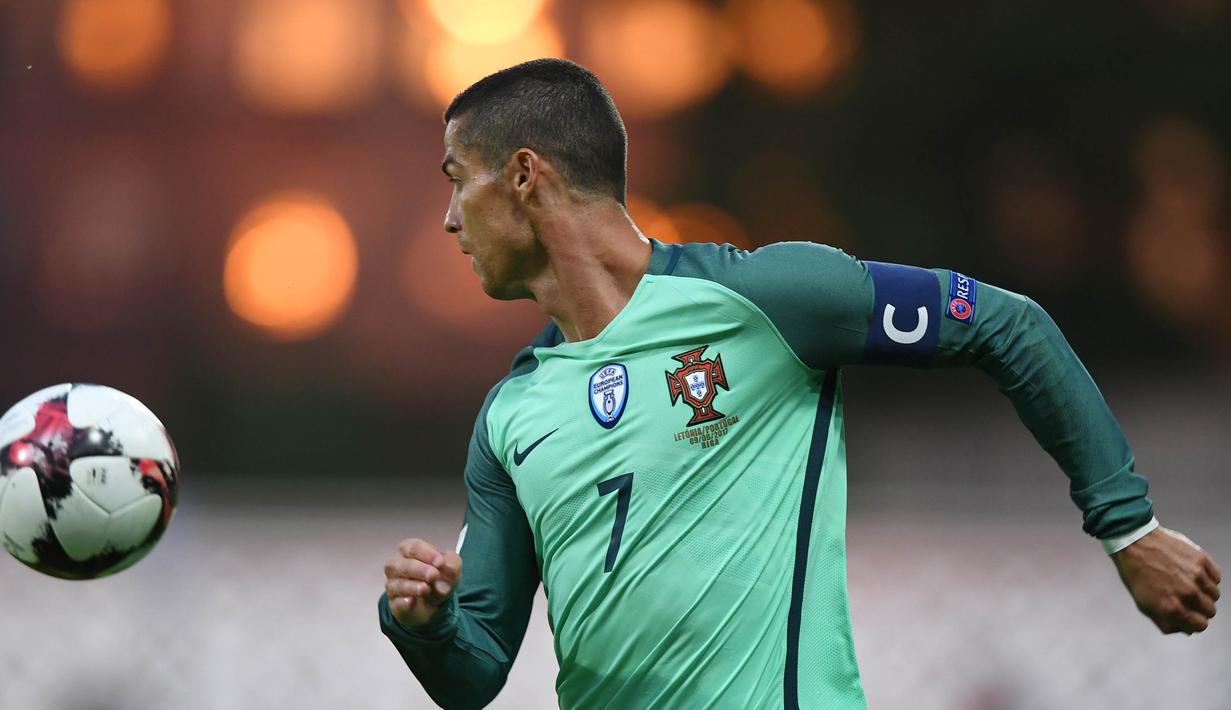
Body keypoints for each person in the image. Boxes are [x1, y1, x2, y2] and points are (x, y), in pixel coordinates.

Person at [378, 58, 1221, 709]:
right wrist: (423, 623)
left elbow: (1005, 325)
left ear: (525, 176)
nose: (450, 219)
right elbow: (475, 670)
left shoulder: (764, 302)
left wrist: (1127, 528)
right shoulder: (512, 415)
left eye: (458, 181)